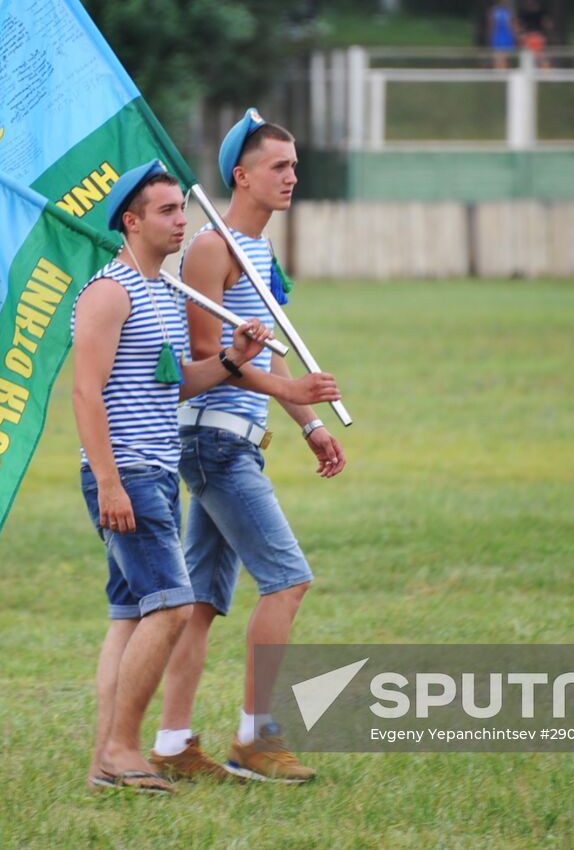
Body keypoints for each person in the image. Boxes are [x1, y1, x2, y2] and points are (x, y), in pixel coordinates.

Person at [150, 109, 345, 785]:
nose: (293, 176)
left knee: (200, 604)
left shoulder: (260, 254)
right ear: (242, 175)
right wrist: (299, 394)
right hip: (211, 443)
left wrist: (309, 423)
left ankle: (173, 745)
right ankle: (256, 740)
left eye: (294, 166)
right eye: (279, 167)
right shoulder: (212, 248)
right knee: (288, 581)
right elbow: (210, 356)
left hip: (240, 441)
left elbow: (270, 356)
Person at [72, 159, 271, 796]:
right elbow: (85, 391)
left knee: (130, 616)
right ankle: (125, 750)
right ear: (131, 222)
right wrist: (107, 480)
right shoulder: (110, 291)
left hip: (157, 472)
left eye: (180, 209)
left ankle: (107, 757)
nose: (181, 219)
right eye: (165, 210)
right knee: (174, 608)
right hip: (126, 471)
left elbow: (177, 381)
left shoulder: (161, 291)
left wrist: (233, 362)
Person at [489, 0, 517, 70]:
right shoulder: (495, 11)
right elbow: (492, 24)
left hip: (506, 35)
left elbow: (511, 25)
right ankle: (497, 70)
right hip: (498, 34)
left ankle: (503, 70)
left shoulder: (508, 12)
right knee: (497, 55)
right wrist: (492, 35)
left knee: (505, 55)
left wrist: (513, 35)